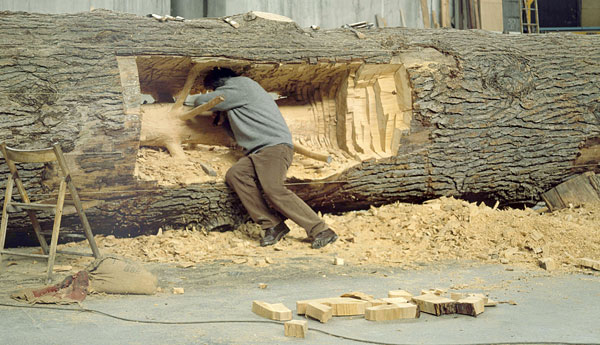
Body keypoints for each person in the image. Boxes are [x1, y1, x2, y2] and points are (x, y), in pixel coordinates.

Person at [190, 67, 338, 249]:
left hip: (274, 148)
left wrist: (200, 99)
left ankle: (321, 229)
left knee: (274, 188)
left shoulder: (242, 84)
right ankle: (273, 225)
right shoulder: (241, 95)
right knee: (236, 175)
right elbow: (238, 131)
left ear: (218, 84)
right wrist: (223, 120)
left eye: (213, 90)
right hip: (259, 151)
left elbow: (202, 100)